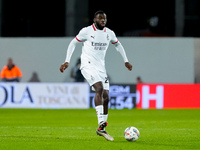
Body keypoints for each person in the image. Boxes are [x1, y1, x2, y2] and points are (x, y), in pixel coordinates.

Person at [60, 10, 132, 141]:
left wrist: (125, 60)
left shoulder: (109, 33)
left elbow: (118, 45)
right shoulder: (86, 31)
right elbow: (73, 43)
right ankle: (100, 122)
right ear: (94, 20)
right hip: (87, 65)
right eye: (100, 18)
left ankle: (101, 129)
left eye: (104, 18)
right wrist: (67, 61)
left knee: (106, 96)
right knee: (99, 88)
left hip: (101, 68)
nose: (102, 20)